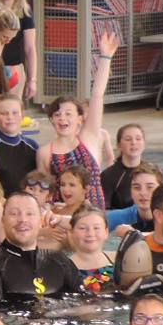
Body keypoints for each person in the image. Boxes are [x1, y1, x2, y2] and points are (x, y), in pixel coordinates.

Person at [36, 32, 118, 209]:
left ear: (80, 119)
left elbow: (97, 95)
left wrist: (105, 57)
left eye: (68, 114)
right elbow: (45, 190)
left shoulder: (89, 138)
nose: (62, 118)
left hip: (93, 215)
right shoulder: (45, 153)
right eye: (57, 114)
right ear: (51, 120)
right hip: (63, 216)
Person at [0, 190, 84, 304]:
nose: (23, 220)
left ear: (40, 220)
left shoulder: (60, 260)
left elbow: (83, 302)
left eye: (29, 213)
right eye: (14, 214)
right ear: (3, 220)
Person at [0, 92, 39, 199]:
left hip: (27, 202)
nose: (10, 117)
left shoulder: (33, 146)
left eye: (15, 113)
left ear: (23, 116)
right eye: (4, 113)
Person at [98, 123, 148, 210]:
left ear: (144, 144)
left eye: (138, 139)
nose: (133, 142)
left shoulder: (153, 173)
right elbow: (103, 210)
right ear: (119, 145)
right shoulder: (108, 176)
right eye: (128, 139)